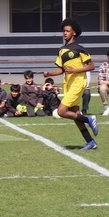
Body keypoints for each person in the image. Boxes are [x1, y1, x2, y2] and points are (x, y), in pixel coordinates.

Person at [44, 18, 99, 150]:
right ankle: (91, 142)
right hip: (68, 84)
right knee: (75, 114)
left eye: (68, 31)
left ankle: (89, 119)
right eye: (64, 31)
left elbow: (91, 66)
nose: (65, 33)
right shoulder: (62, 50)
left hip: (78, 83)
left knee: (62, 111)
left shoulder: (79, 49)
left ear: (74, 33)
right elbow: (61, 69)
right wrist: (49, 74)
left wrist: (75, 70)